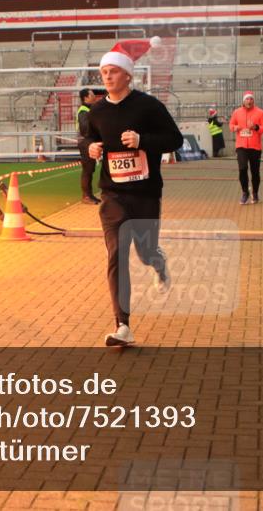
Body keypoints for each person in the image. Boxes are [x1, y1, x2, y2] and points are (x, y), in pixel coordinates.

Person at [81, 37, 183, 347]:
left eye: (113, 71)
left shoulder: (149, 105)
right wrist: (91, 148)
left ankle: (158, 261)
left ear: (127, 74)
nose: (107, 77)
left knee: (144, 251)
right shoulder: (94, 112)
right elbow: (85, 141)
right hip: (112, 195)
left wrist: (142, 141)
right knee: (116, 256)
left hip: (145, 192)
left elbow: (174, 140)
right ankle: (122, 325)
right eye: (103, 72)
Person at [229, 91, 263, 205]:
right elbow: (231, 125)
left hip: (255, 147)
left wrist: (256, 127)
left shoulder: (260, 113)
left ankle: (255, 193)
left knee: (255, 172)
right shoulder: (237, 112)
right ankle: (245, 192)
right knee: (242, 169)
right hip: (241, 146)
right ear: (243, 101)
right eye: (247, 99)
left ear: (253, 101)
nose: (249, 101)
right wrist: (235, 128)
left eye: (251, 99)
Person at [76, 87, 102, 204]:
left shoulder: (89, 109)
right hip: (86, 142)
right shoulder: (83, 111)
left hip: (90, 142)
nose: (94, 96)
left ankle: (89, 195)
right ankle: (86, 196)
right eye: (92, 95)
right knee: (87, 170)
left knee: (90, 170)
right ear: (86, 97)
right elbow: (85, 130)